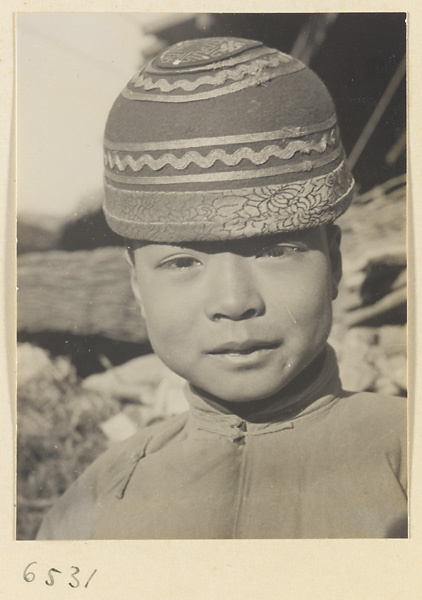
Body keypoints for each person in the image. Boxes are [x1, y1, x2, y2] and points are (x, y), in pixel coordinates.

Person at [37, 37, 407, 539]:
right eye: (182, 261)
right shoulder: (95, 506)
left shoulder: (405, 460)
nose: (235, 303)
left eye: (276, 251)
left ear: (335, 262)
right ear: (136, 285)